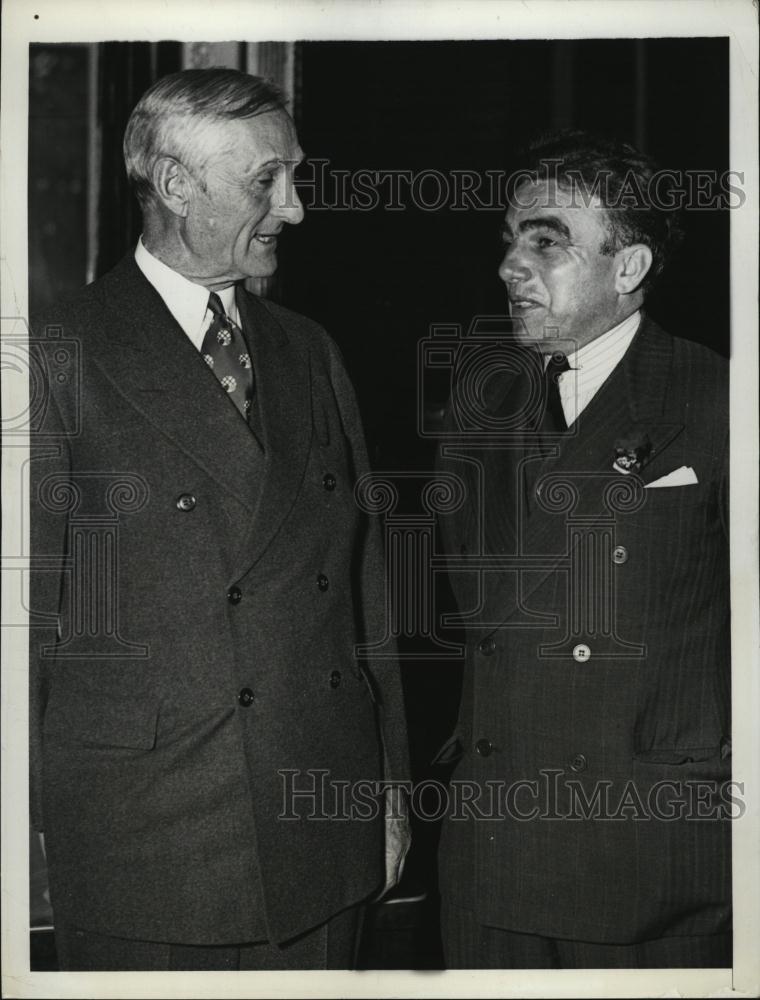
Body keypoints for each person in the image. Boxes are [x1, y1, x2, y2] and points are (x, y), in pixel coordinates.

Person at [29, 68, 409, 971]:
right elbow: (25, 629)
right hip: (147, 847)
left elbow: (366, 597)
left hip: (324, 828)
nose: (297, 208)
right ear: (174, 184)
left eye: (296, 176)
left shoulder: (308, 351)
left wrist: (389, 791)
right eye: (265, 181)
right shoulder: (55, 355)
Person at [436, 131, 730, 968]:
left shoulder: (717, 400)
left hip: (650, 865)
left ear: (628, 268)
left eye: (546, 242)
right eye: (509, 241)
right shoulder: (475, 409)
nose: (509, 266)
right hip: (492, 864)